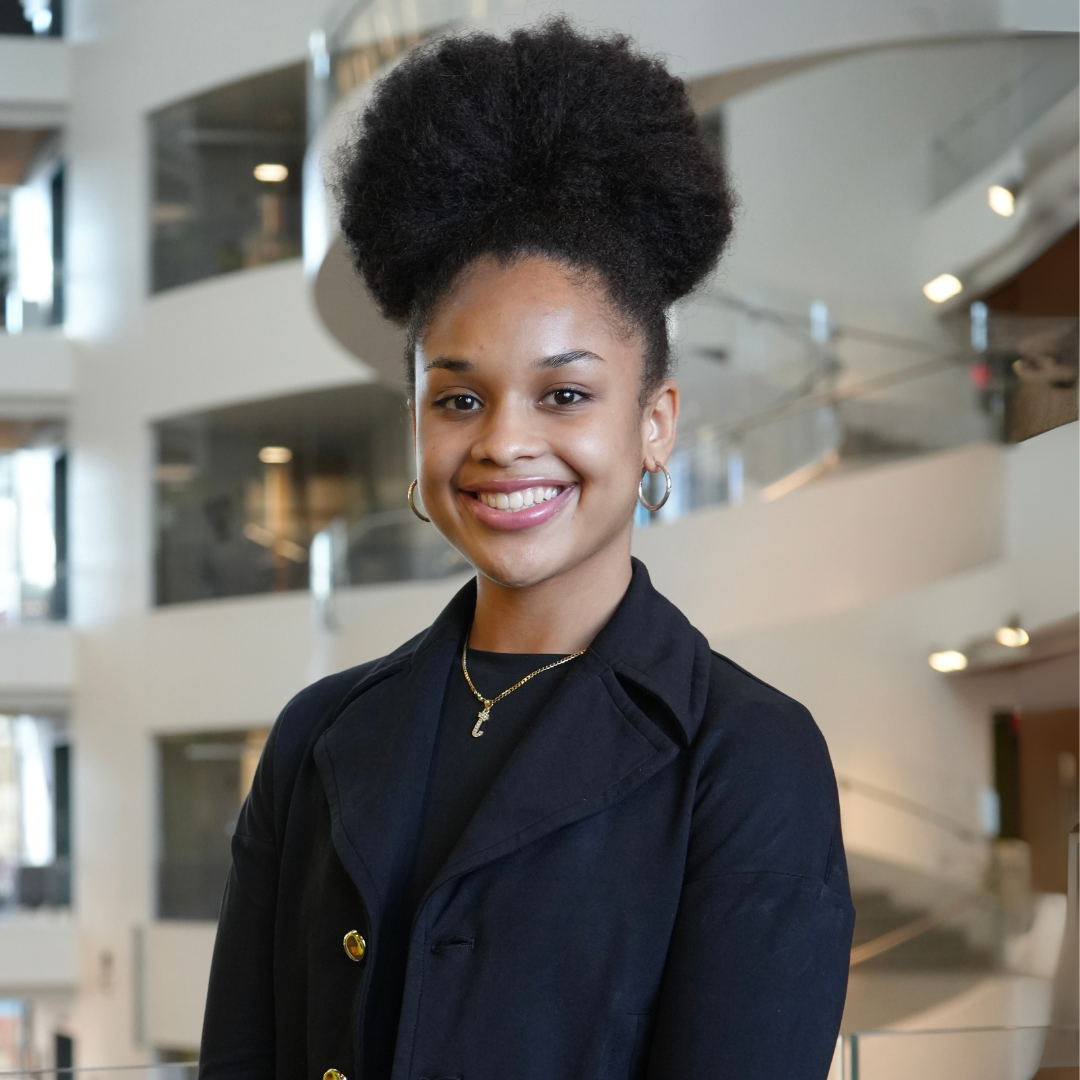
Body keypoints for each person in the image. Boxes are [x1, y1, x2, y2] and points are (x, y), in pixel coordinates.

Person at [199, 20, 854, 1080]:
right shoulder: (317, 737)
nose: (504, 440)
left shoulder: (748, 758)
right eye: (459, 396)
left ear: (654, 421)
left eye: (565, 393)